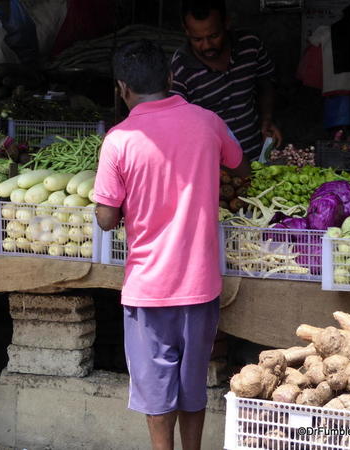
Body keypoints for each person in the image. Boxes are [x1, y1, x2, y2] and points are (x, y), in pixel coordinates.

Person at [94, 39, 249, 450]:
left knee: (156, 392)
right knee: (192, 385)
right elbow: (240, 164)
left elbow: (107, 219)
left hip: (149, 289)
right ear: (171, 77)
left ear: (122, 88)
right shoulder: (208, 121)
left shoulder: (118, 140)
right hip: (200, 286)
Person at [170, 0, 282, 158]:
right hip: (216, 167)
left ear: (226, 23)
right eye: (197, 39)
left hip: (256, 153)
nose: (207, 45)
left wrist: (267, 119)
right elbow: (176, 123)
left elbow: (266, 81)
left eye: (214, 35)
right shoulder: (180, 67)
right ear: (186, 31)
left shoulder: (250, 44)